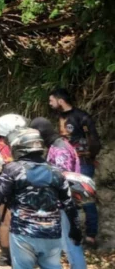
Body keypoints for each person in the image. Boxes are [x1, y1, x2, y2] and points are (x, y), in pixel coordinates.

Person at [0, 128, 81, 269]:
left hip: (23, 232)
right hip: (52, 233)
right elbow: (69, 203)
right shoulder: (56, 172)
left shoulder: (13, 169)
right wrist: (75, 229)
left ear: (19, 148)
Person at [32, 117, 86, 269]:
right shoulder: (55, 146)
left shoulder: (60, 148)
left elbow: (63, 178)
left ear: (39, 132)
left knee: (70, 244)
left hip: (64, 203)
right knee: (63, 243)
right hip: (59, 202)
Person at [49, 89, 101, 248]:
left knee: (85, 198)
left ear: (60, 100)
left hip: (83, 163)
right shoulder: (60, 116)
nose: (50, 104)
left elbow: (94, 141)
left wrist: (88, 156)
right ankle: (71, 234)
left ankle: (91, 236)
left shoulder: (81, 117)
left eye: (51, 100)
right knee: (67, 199)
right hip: (67, 163)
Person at [0, 113, 28, 266]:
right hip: (4, 184)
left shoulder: (17, 143)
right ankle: (6, 254)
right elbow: (0, 167)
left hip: (14, 184)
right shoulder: (0, 146)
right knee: (7, 220)